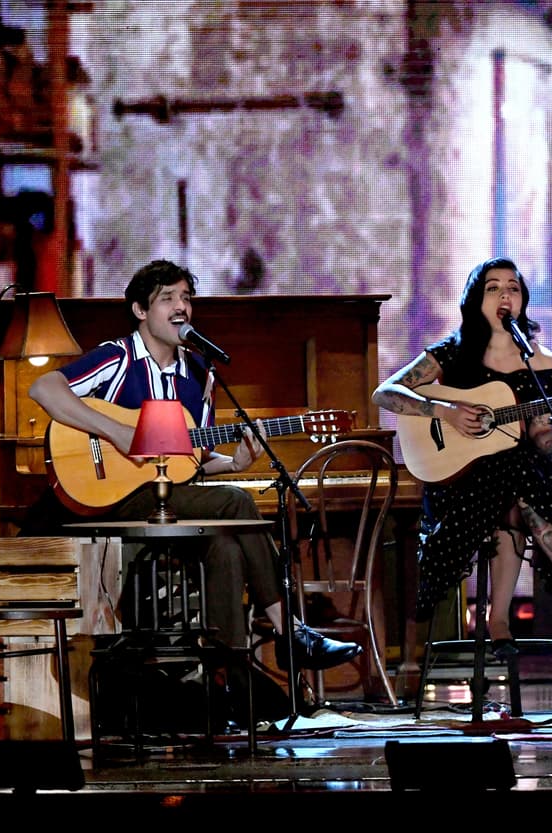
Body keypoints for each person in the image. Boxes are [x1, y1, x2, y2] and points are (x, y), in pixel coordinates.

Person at [24, 259, 361, 673]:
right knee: (236, 504)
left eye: (185, 297)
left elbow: (190, 460)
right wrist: (116, 432)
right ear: (141, 311)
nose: (180, 306)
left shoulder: (199, 372)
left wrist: (234, 464)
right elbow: (45, 387)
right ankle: (289, 630)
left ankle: (229, 677)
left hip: (168, 503)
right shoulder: (119, 357)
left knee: (225, 549)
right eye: (167, 298)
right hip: (113, 502)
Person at [372, 257, 552, 658]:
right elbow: (386, 393)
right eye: (493, 287)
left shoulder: (540, 362)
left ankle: (499, 623)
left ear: (522, 301)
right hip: (459, 480)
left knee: (513, 473)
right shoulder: (452, 352)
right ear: (476, 299)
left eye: (513, 288)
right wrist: (444, 412)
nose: (504, 295)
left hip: (518, 478)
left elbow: (539, 440)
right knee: (510, 476)